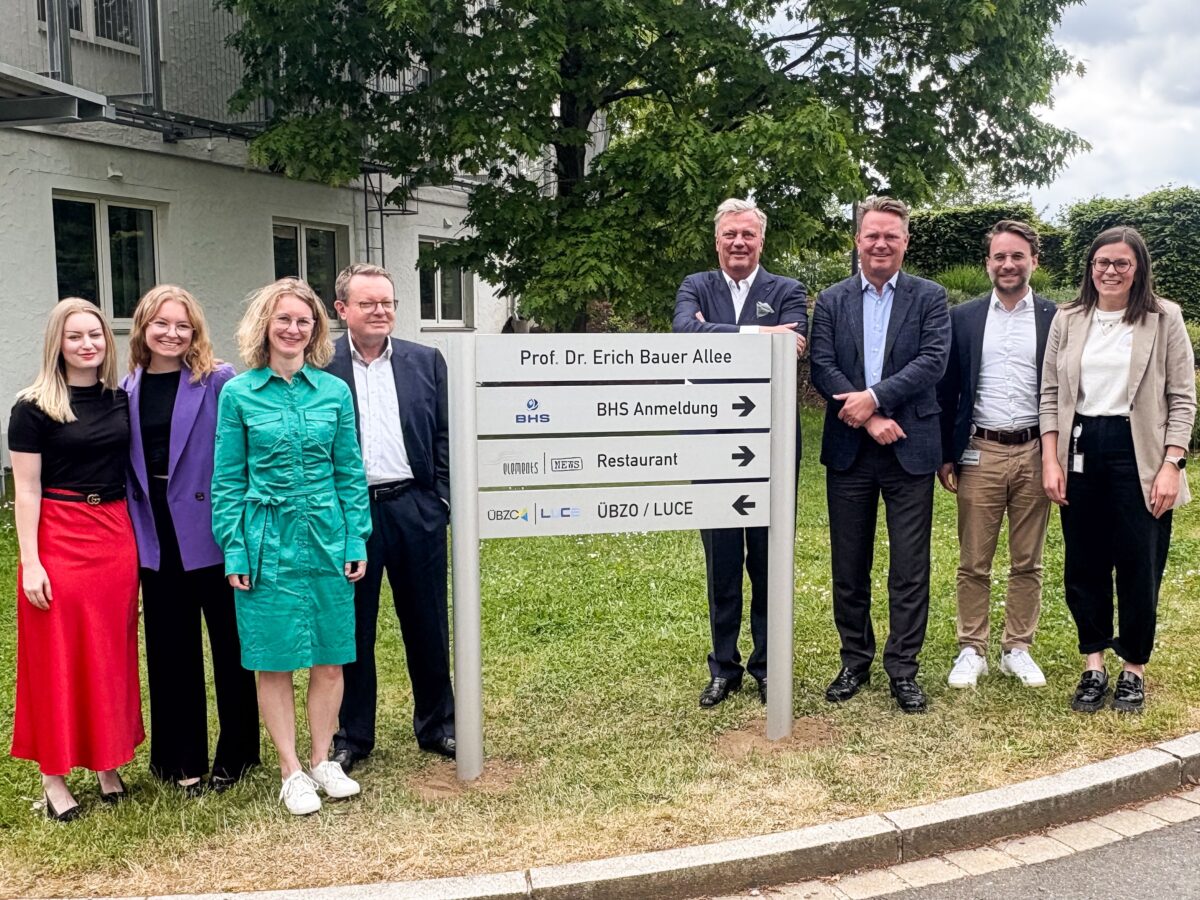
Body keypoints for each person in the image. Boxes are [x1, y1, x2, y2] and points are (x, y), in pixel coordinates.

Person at [211, 277, 372, 815]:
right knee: (273, 659)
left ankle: (325, 760)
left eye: (303, 320)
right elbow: (228, 481)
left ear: (316, 329)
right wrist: (234, 549)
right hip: (266, 540)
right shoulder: (238, 394)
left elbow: (350, 471)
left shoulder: (333, 392)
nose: (293, 328)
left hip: (326, 536)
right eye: (283, 319)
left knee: (331, 656)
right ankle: (291, 771)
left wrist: (355, 536)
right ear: (265, 325)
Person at [1040, 226, 1195, 713]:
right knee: (1084, 563)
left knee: (1139, 563)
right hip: (1081, 446)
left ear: (1138, 269)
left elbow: (1183, 399)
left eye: (1121, 264)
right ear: (1090, 267)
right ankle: (1093, 664)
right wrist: (1051, 458)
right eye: (1102, 262)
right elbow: (1049, 394)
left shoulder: (1163, 317)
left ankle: (1133, 669)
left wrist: (1172, 464)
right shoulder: (1068, 318)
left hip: (1141, 452)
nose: (1110, 271)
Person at [810, 196, 950, 713]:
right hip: (851, 448)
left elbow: (933, 361)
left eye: (891, 235)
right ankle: (855, 659)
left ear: (905, 241)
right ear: (858, 240)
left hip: (911, 447)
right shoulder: (831, 300)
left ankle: (903, 668)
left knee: (909, 566)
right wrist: (867, 415)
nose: (881, 243)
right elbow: (822, 366)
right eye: (872, 235)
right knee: (850, 563)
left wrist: (878, 397)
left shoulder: (930, 297)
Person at [122, 285, 260, 795]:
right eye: (161, 324)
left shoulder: (218, 380)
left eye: (183, 326)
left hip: (213, 527)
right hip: (155, 531)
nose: (172, 333)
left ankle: (239, 754)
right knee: (169, 649)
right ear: (143, 328)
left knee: (229, 646)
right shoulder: (127, 387)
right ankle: (180, 760)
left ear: (195, 331)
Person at [8, 298, 143, 820]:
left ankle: (108, 762)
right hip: (59, 535)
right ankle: (53, 777)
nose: (87, 344)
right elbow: (26, 491)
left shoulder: (117, 398)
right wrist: (32, 562)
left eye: (96, 335)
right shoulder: (32, 406)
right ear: (56, 345)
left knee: (110, 653)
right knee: (56, 657)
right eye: (75, 336)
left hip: (113, 535)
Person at [672, 198, 807, 708]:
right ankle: (723, 666)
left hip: (771, 441)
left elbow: (791, 347)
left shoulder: (788, 291)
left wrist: (722, 338)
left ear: (761, 240)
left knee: (770, 558)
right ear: (717, 240)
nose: (738, 243)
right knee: (722, 559)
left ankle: (770, 666)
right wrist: (757, 335)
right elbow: (684, 335)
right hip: (710, 443)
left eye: (747, 234)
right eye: (730, 234)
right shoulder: (695, 286)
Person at [326, 263, 456, 768]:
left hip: (415, 508)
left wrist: (440, 499)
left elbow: (446, 432)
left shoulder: (427, 361)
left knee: (427, 621)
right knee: (352, 628)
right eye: (368, 304)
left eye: (387, 303)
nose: (380, 312)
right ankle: (353, 736)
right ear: (342, 311)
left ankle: (437, 725)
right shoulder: (323, 366)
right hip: (350, 514)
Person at [936, 221, 1058, 689]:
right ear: (988, 263)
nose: (1008, 264)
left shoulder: (1054, 317)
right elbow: (948, 389)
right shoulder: (962, 317)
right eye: (999, 257)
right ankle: (973, 648)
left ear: (1033, 261)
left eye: (1017, 256)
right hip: (979, 450)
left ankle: (1018, 648)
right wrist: (947, 453)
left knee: (1028, 559)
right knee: (973, 559)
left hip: (1035, 450)